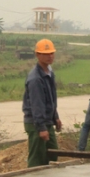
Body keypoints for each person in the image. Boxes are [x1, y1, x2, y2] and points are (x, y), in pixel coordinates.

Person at [22, 39, 62, 167]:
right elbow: (37, 105)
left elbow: (50, 99)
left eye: (51, 53)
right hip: (36, 123)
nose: (49, 56)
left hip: (47, 121)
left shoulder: (49, 73)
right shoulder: (35, 79)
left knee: (53, 154)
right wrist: (41, 128)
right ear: (37, 55)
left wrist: (55, 117)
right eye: (45, 54)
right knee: (37, 159)